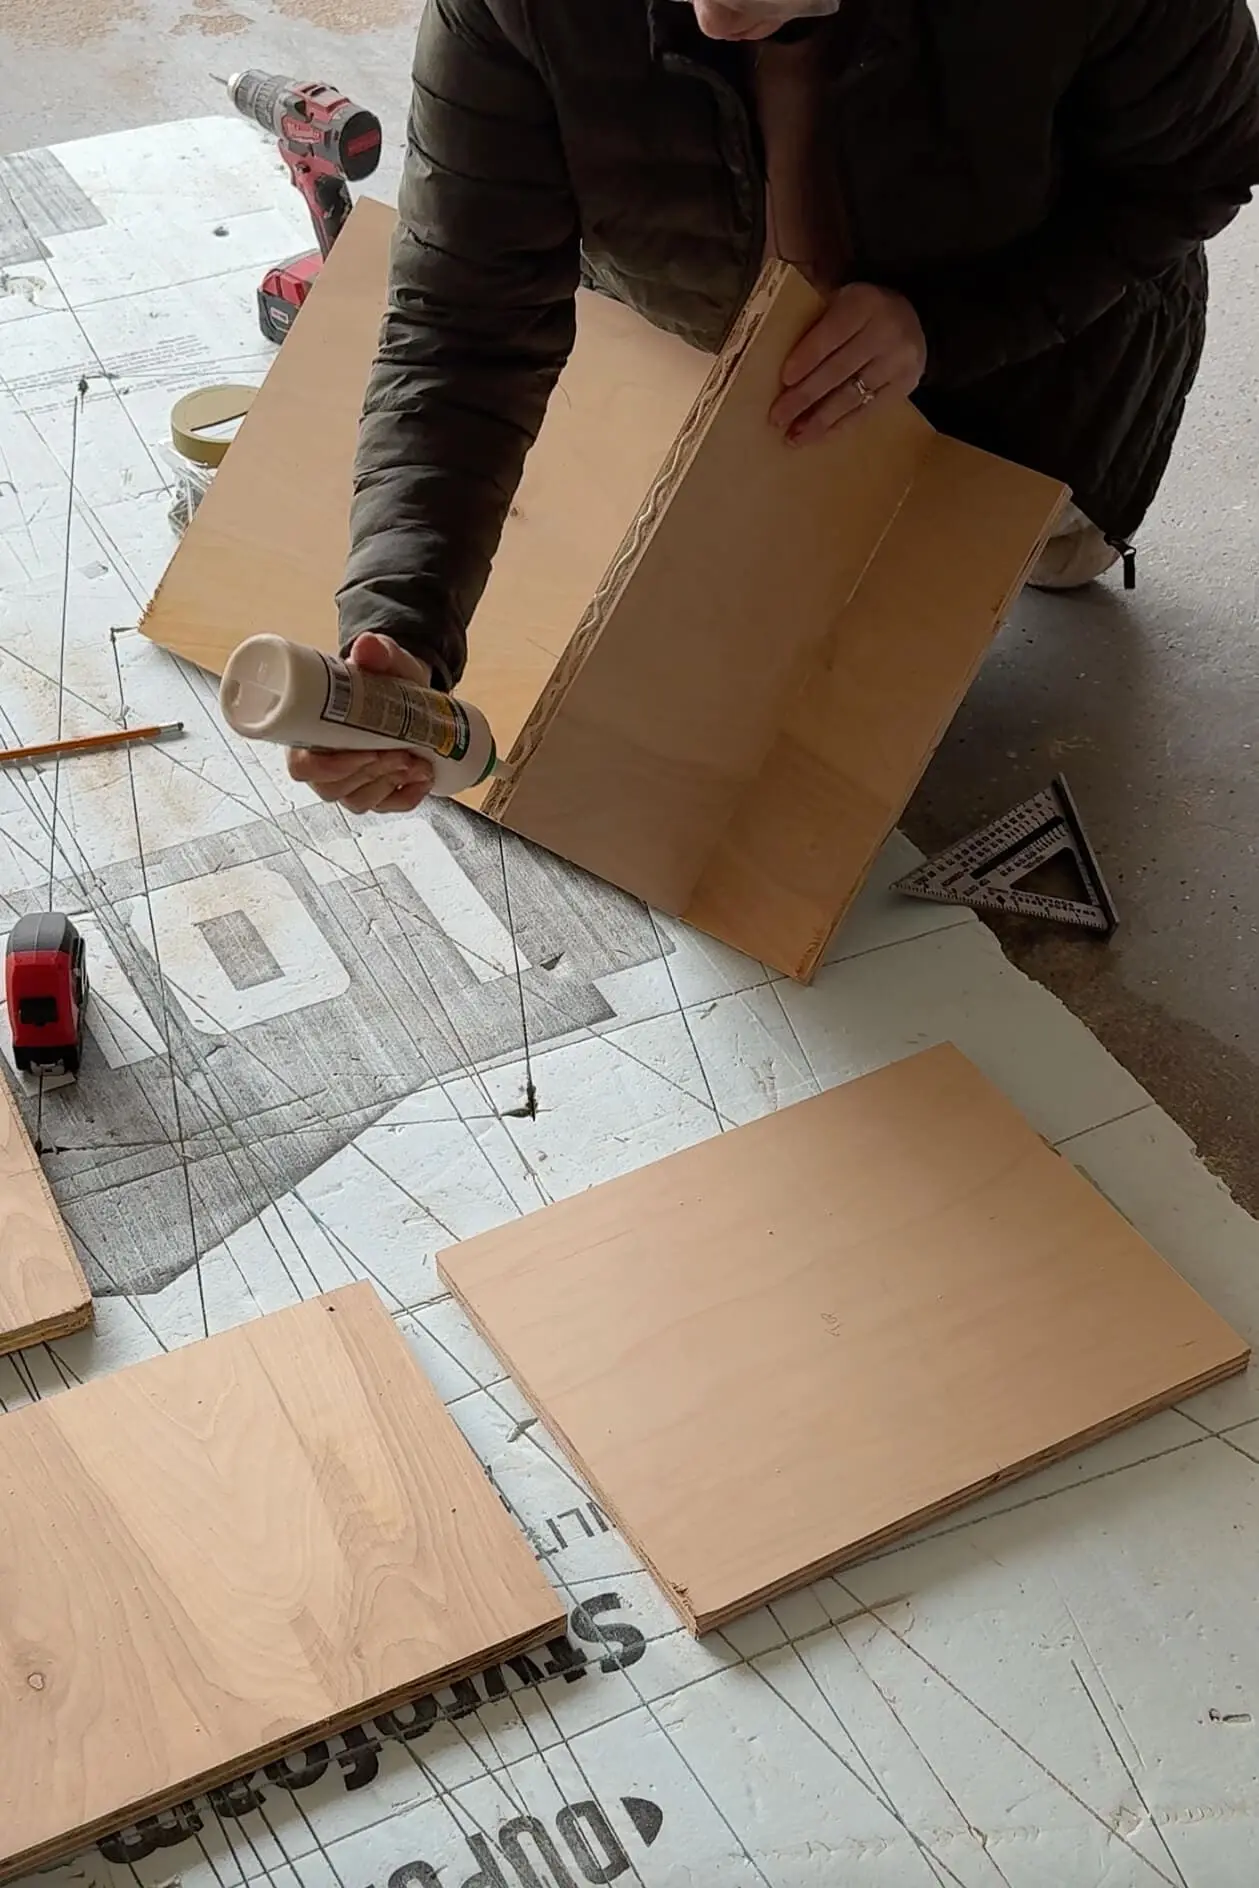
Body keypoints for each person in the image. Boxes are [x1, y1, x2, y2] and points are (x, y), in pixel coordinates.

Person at [292, 0, 1259, 816]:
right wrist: (401, 621)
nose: (715, 11)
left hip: (1033, 351)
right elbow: (463, 318)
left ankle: (1050, 516)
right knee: (742, 656)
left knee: (1023, 577)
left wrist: (949, 329)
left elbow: (1200, 162)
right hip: (707, 329)